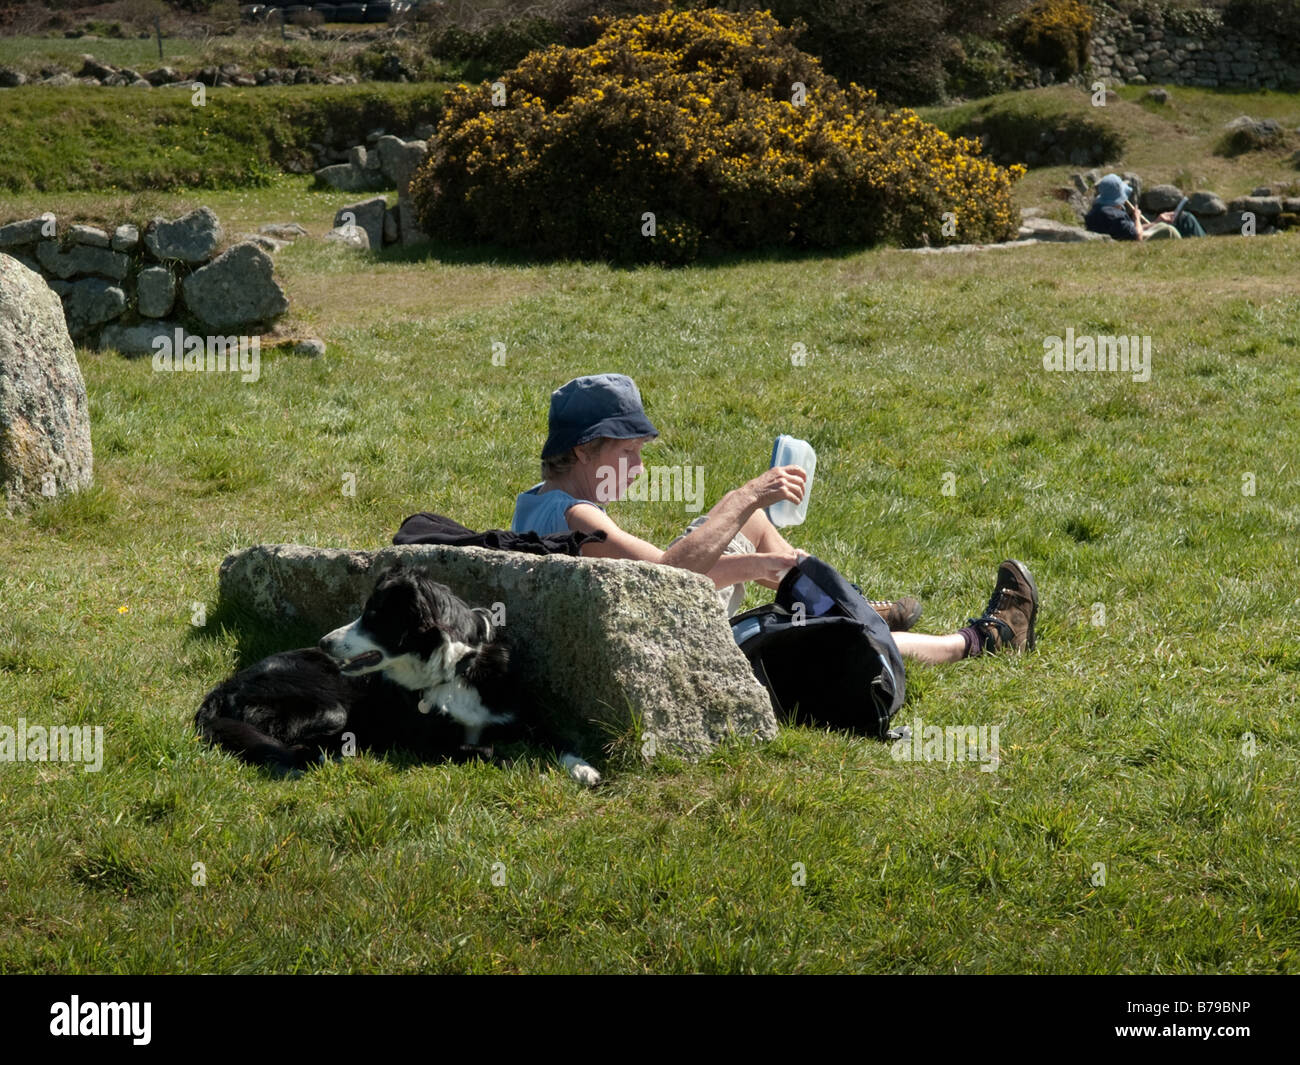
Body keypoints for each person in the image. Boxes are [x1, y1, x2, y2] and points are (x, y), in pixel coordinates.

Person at [510, 374, 1037, 664]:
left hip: (637, 623)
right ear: (583, 451)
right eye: (628, 452)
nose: (640, 468)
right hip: (660, 636)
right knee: (752, 533)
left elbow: (664, 574)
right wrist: (748, 496)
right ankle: (976, 640)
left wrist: (761, 560)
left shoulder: (535, 501)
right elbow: (671, 581)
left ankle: (840, 602)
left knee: (749, 533)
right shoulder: (578, 517)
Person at [1085, 173, 1206, 241]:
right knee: (1169, 230)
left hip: (1128, 238)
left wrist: (1155, 222)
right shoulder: (1113, 215)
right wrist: (1136, 217)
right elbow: (1137, 235)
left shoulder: (1097, 212)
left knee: (1182, 219)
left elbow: (1127, 230)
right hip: (1136, 243)